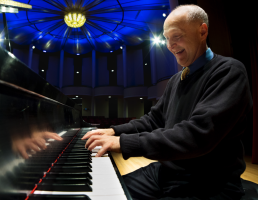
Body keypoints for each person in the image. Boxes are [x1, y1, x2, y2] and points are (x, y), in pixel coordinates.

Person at [82, 4, 253, 200]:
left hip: (209, 182)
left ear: (202, 31)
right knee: (103, 193)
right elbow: (153, 120)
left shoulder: (228, 71)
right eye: (166, 39)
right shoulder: (176, 79)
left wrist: (123, 142)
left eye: (177, 36)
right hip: (165, 172)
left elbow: (197, 135)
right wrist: (114, 131)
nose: (170, 45)